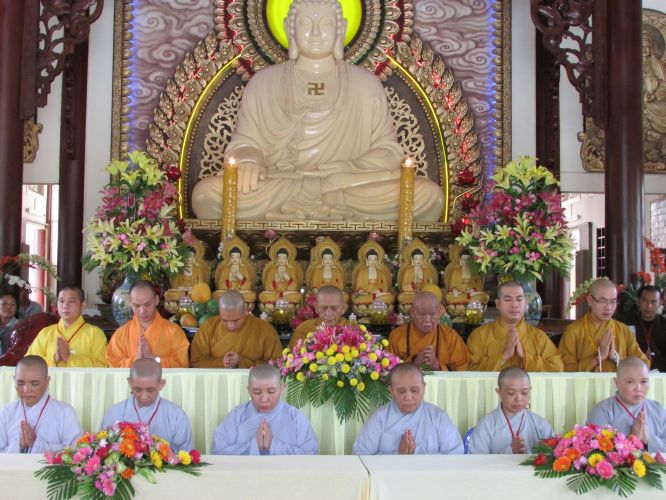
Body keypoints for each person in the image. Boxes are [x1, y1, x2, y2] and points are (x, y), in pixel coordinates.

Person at [190, 0, 443, 222]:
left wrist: (349, 168)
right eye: (304, 23)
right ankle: (323, 208)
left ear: (340, 29)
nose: (315, 32)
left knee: (428, 196)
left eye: (325, 23)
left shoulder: (366, 84)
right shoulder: (263, 83)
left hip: (344, 185)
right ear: (290, 28)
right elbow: (246, 142)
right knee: (206, 195)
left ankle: (311, 207)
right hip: (282, 184)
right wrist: (248, 160)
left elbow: (389, 152)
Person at [352, 363, 463, 454]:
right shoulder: (380, 418)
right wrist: (398, 454)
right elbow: (360, 457)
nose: (408, 397)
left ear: (423, 388)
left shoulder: (438, 417)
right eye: (401, 391)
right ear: (391, 391)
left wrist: (416, 452)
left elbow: (456, 455)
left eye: (414, 390)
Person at [211, 365, 318, 455]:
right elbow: (217, 452)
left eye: (271, 392)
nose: (264, 399)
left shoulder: (295, 417)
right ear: (248, 390)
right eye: (257, 392)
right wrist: (253, 445)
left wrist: (273, 445)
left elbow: (311, 454)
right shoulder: (237, 415)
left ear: (281, 389)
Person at [466, 281, 563, 371]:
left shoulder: (539, 337)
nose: (514, 305)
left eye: (519, 299)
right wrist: (503, 356)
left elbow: (557, 369)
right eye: (508, 300)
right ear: (498, 304)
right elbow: (469, 369)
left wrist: (525, 357)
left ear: (525, 303)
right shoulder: (479, 335)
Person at [101, 358, 194, 452]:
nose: (144, 396)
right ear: (130, 382)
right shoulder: (115, 413)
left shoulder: (177, 416)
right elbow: (103, 450)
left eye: (150, 390)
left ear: (161, 384)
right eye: (138, 389)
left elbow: (185, 455)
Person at [559, 278, 648, 372]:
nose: (608, 307)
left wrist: (616, 358)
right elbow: (565, 369)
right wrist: (598, 358)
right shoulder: (573, 331)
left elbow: (644, 364)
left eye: (613, 301)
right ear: (590, 300)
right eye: (603, 301)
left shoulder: (624, 331)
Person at [0, 355, 82, 453]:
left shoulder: (65, 412)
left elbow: (76, 452)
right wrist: (19, 445)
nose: (26, 390)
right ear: (14, 380)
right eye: (20, 383)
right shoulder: (6, 412)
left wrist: (36, 443)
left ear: (47, 381)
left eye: (34, 384)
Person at [468, 367, 554, 454]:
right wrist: (510, 451)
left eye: (524, 392)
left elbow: (554, 455)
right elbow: (476, 459)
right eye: (511, 393)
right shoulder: (486, 424)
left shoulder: (540, 424)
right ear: (499, 392)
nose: (519, 398)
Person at [587, 357, 665, 452]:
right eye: (630, 382)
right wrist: (631, 440)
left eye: (644, 381)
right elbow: (593, 452)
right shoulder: (602, 411)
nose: (638, 388)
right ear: (617, 383)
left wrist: (649, 440)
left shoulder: (658, 410)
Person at [106, 280, 190, 368]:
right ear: (130, 303)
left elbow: (182, 365)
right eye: (137, 306)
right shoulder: (120, 335)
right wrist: (136, 360)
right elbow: (113, 367)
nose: (142, 311)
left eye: (147, 304)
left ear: (156, 300)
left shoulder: (174, 332)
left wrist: (154, 359)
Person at [190, 290, 283, 368]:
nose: (231, 325)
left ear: (246, 311)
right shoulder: (208, 328)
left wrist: (242, 362)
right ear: (219, 313)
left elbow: (277, 365)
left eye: (236, 320)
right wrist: (222, 362)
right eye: (225, 320)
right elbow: (195, 363)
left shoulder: (265, 330)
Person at [26, 285, 108, 367]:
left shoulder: (95, 334)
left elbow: (103, 366)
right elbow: (28, 364)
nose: (65, 305)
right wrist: (54, 358)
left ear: (82, 305)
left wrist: (70, 358)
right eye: (61, 301)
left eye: (71, 301)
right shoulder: (46, 333)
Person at [387, 291, 469, 371]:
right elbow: (388, 370)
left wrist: (437, 365)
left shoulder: (451, 337)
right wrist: (415, 363)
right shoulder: (396, 336)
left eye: (432, 314)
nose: (427, 320)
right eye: (421, 314)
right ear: (412, 313)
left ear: (439, 313)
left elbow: (462, 370)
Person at [629, 285, 666, 372]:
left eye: (653, 302)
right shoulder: (627, 323)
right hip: (632, 371)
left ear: (661, 302)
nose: (649, 306)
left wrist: (654, 359)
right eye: (644, 301)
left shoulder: (664, 324)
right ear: (638, 301)